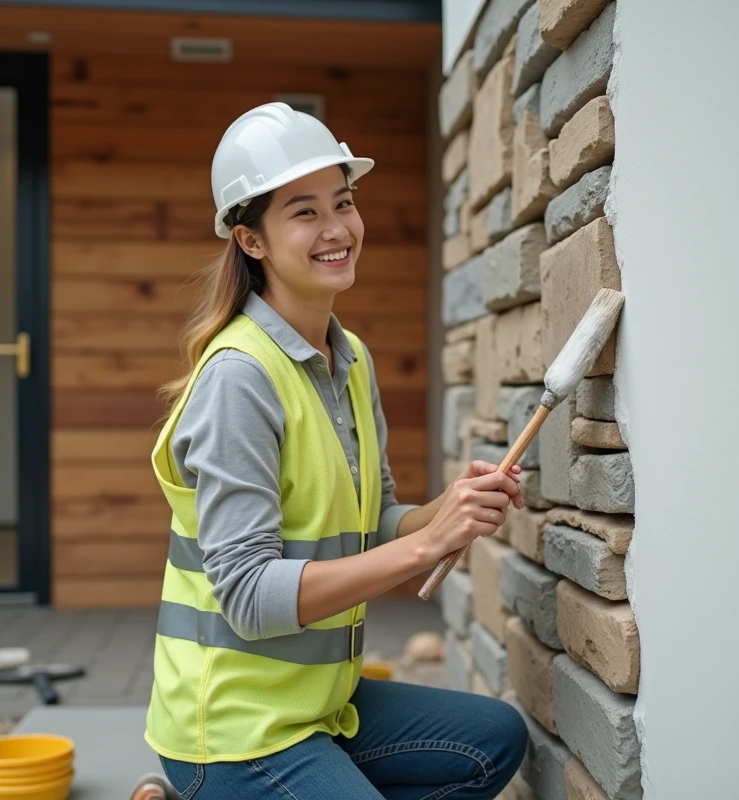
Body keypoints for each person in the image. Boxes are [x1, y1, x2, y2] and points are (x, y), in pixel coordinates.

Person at [141, 102, 529, 800]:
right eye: (304, 212)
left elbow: (375, 522)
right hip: (233, 734)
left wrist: (453, 510)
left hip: (320, 708)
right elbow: (249, 598)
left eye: (343, 203)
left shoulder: (347, 358)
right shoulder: (241, 379)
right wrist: (421, 550)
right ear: (250, 240)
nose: (337, 229)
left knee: (493, 740)